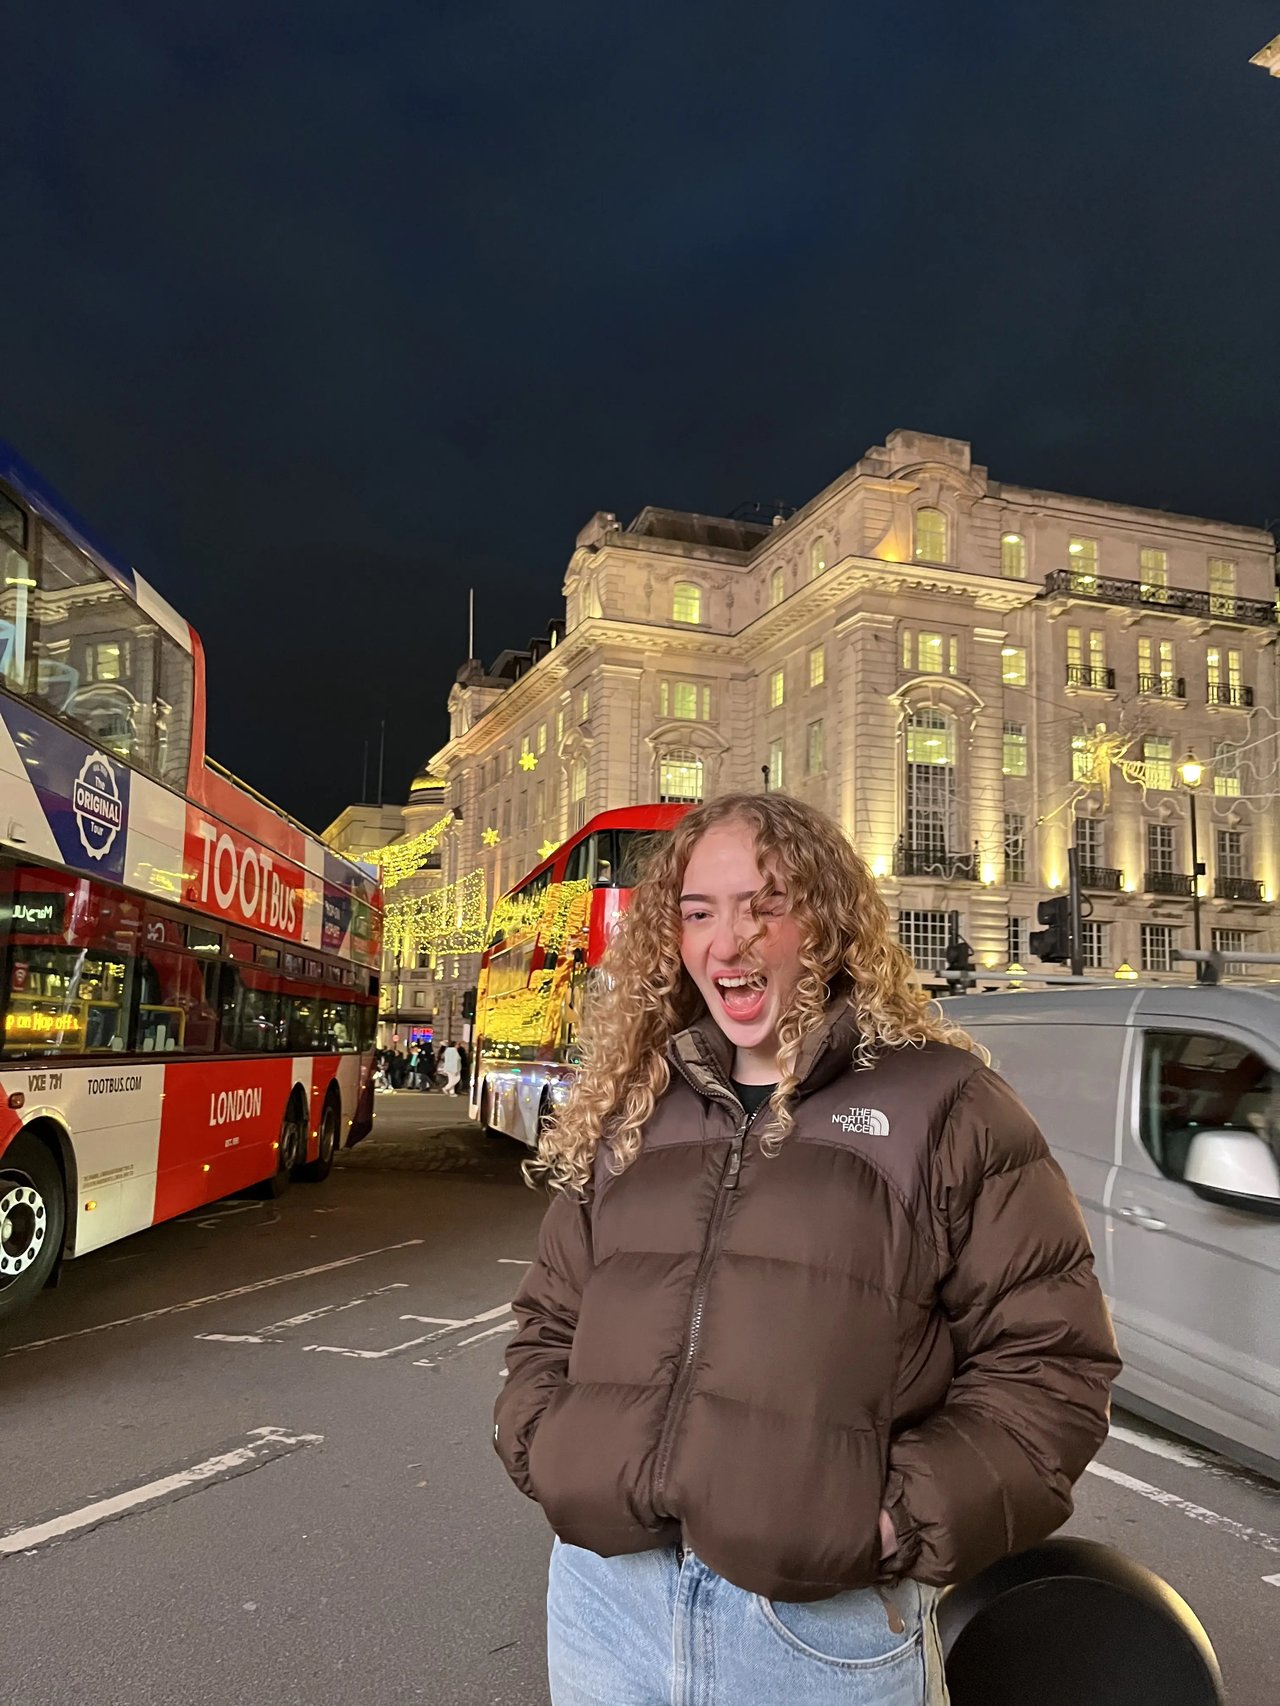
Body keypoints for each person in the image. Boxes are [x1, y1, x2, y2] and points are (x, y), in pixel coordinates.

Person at [494, 793, 1120, 1706]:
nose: (727, 941)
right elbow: (550, 1320)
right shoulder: (638, 1104)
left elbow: (1052, 1366)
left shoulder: (945, 1104)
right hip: (606, 1603)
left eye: (765, 905)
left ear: (825, 921)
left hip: (814, 1631)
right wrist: (545, 1446)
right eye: (699, 913)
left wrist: (889, 1524)